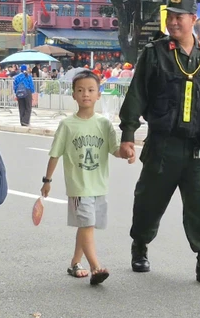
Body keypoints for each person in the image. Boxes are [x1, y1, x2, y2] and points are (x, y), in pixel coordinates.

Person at [118, 0, 200, 287]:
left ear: (193, 19)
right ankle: (140, 245)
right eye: (170, 16)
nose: (173, 22)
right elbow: (137, 94)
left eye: (180, 17)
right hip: (164, 145)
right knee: (148, 203)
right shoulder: (154, 53)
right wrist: (128, 134)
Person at [41, 71, 133, 285]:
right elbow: (55, 154)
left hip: (98, 185)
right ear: (73, 95)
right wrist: (47, 181)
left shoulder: (104, 124)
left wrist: (126, 152)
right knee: (87, 224)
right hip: (79, 186)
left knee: (86, 226)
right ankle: (95, 267)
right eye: (80, 90)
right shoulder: (67, 125)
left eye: (91, 90)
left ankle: (75, 263)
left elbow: (114, 150)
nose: (85, 94)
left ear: (98, 94)